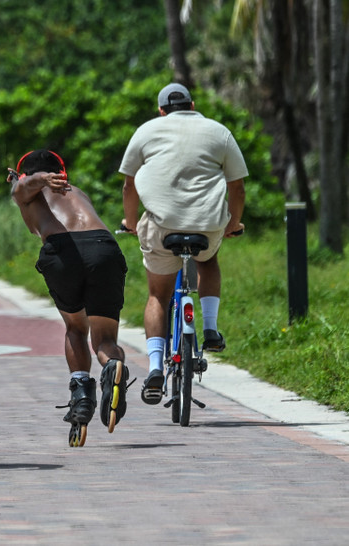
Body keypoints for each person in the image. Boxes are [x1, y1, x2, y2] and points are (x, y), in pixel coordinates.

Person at [119, 83, 247, 405]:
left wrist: (131, 223)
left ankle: (153, 367)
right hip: (208, 226)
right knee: (208, 260)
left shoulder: (147, 131)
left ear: (161, 110)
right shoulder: (219, 132)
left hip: (162, 229)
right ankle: (211, 329)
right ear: (193, 104)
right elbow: (238, 187)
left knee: (158, 296)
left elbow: (128, 185)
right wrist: (233, 224)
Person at [8, 149, 130, 434]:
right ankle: (112, 365)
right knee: (106, 339)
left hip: (64, 251)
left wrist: (33, 179)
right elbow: (32, 183)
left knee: (76, 328)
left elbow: (22, 186)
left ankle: (81, 395)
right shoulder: (76, 190)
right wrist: (44, 179)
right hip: (104, 248)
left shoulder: (24, 189)